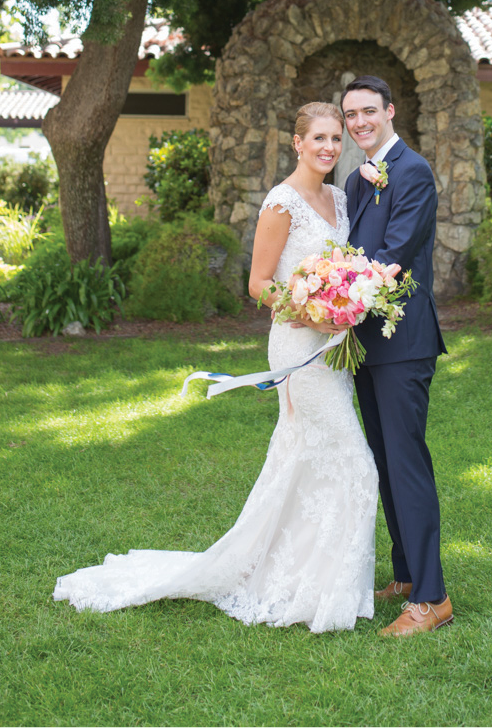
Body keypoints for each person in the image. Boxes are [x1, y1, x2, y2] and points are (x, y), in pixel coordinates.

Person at [53, 102, 379, 633]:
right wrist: (314, 307)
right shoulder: (282, 203)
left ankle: (307, 577)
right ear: (296, 143)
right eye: (318, 138)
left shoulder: (340, 199)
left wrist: (343, 305)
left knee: (306, 459)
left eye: (336, 139)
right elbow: (258, 284)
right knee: (355, 462)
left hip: (334, 350)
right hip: (299, 345)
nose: (328, 148)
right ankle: (322, 588)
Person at [342, 74, 453, 637]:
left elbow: (393, 256)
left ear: (389, 111)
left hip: (402, 342)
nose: (359, 122)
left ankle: (432, 599)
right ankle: (406, 574)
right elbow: (351, 248)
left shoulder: (412, 172)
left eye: (367, 111)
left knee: (407, 464)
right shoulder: (359, 180)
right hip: (364, 341)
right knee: (384, 461)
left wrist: (334, 291)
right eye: (350, 116)